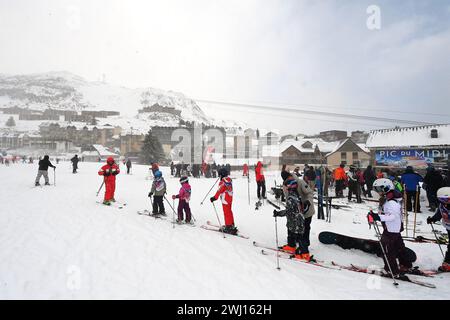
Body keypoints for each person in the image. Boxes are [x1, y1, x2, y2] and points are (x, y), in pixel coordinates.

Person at [368, 178, 413, 278]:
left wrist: (378, 217)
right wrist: (374, 215)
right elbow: (386, 213)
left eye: (380, 189)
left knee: (388, 250)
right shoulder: (389, 200)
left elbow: (392, 216)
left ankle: (391, 270)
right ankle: (405, 264)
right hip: (394, 229)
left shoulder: (391, 203)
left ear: (387, 189)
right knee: (399, 247)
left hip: (391, 230)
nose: (378, 192)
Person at [273, 177, 312, 261]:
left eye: (286, 186)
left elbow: (288, 211)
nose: (285, 188)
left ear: (290, 186)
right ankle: (291, 246)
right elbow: (300, 209)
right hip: (293, 221)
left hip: (296, 222)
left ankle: (304, 253)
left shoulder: (291, 198)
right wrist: (306, 206)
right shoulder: (295, 194)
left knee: (300, 236)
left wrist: (278, 213)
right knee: (291, 232)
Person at [280, 170, 315, 257]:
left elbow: (310, 193)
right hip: (295, 210)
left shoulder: (300, 182)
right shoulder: (286, 184)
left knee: (304, 229)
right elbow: (288, 197)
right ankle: (291, 245)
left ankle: (304, 249)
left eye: (288, 178)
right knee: (291, 226)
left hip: (306, 210)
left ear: (290, 175)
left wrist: (307, 202)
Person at [427, 187, 450, 272]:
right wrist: (432, 219)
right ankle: (448, 262)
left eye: (444, 200)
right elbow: (439, 214)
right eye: (441, 200)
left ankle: (448, 262)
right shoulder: (442, 205)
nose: (443, 202)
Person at [210, 168, 237, 235]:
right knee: (229, 211)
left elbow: (219, 190)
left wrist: (214, 198)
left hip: (225, 200)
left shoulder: (222, 182)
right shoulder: (229, 180)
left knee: (226, 212)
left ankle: (228, 227)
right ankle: (231, 224)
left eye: (219, 175)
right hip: (230, 199)